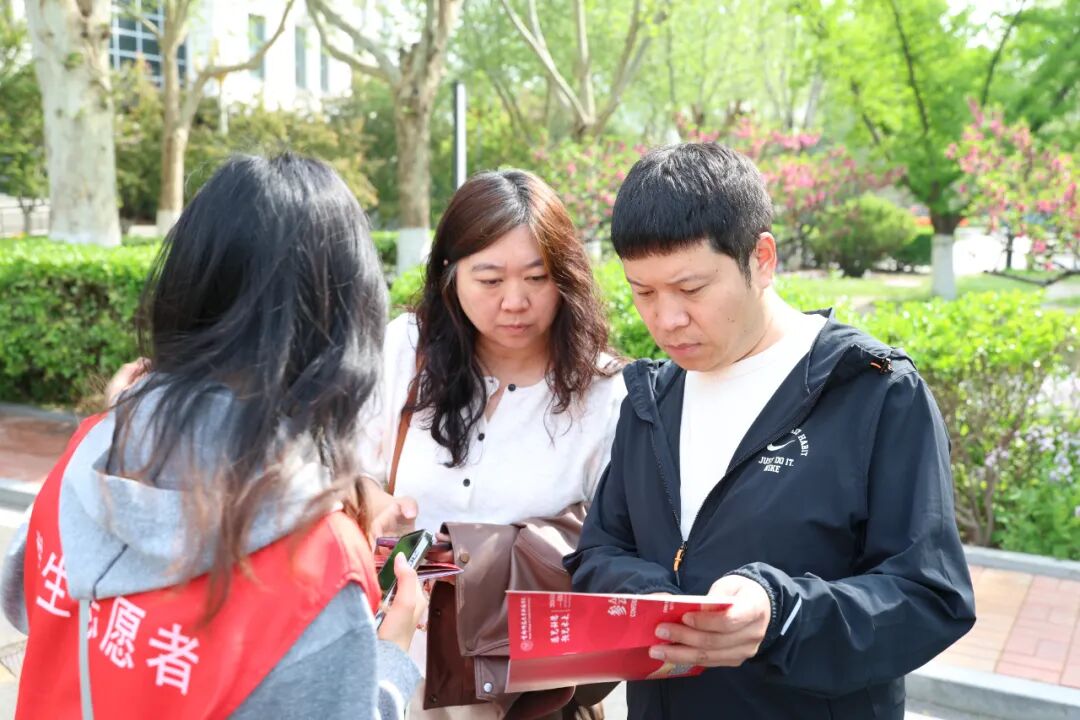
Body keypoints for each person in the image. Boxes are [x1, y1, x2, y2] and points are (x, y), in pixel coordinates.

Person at [2, 154, 426, 719]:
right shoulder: (318, 560)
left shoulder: (93, 454)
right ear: (343, 328)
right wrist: (391, 657)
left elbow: (24, 599)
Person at [564, 143, 976, 719]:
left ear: (761, 258)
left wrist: (781, 613)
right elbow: (600, 551)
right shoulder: (651, 398)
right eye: (643, 292)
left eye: (691, 289)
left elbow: (930, 595)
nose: (667, 319)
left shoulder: (874, 391)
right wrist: (649, 600)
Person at [358, 170, 626, 719]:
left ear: (566, 278)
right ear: (450, 272)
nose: (515, 302)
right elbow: (349, 467)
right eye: (489, 279)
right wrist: (374, 501)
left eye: (537, 277)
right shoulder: (405, 350)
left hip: (527, 692)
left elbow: (618, 548)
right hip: (397, 664)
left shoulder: (603, 393)